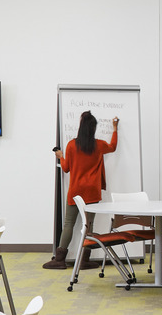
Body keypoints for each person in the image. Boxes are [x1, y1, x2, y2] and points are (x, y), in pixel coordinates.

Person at [43, 111, 118, 270]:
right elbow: (113, 147)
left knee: (69, 223)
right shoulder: (99, 145)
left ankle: (60, 260)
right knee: (89, 225)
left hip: (76, 190)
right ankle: (84, 260)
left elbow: (66, 168)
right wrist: (115, 129)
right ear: (93, 128)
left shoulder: (71, 145)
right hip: (92, 191)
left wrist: (60, 156)